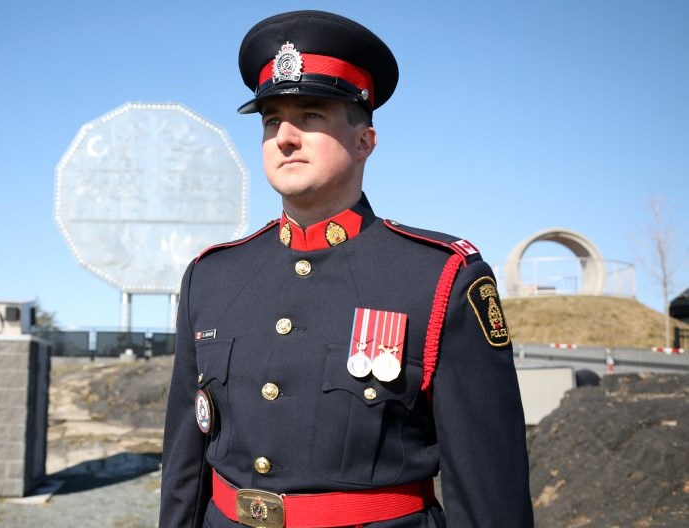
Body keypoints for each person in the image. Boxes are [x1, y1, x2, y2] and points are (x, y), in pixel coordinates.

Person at [160, 10, 533, 528]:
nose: (285, 136)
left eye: (311, 116)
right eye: (271, 121)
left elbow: (489, 487)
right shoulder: (213, 276)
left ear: (365, 141)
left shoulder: (439, 279)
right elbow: (184, 463)